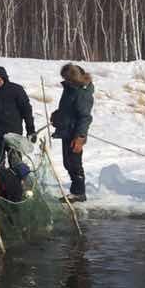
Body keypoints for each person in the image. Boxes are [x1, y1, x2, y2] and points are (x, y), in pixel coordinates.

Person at [50, 63, 94, 202]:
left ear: (74, 78)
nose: (65, 80)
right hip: (66, 131)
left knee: (74, 162)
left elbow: (85, 117)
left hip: (75, 133)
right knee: (67, 162)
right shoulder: (70, 89)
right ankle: (76, 190)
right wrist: (57, 115)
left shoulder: (81, 93)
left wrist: (80, 137)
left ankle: (79, 192)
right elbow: (68, 109)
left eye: (67, 78)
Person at [0, 66, 36, 169]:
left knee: (15, 161)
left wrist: (31, 129)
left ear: (4, 78)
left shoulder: (16, 90)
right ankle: (1, 182)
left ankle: (17, 183)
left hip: (13, 133)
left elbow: (26, 110)